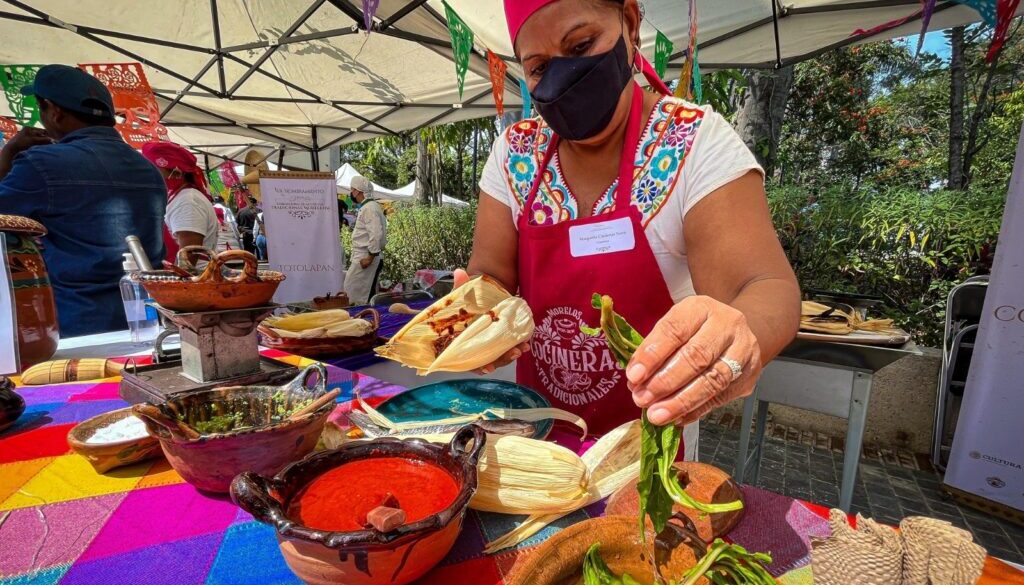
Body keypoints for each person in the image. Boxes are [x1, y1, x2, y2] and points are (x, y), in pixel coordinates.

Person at [462, 0, 800, 456]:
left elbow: (765, 285)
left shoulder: (695, 141)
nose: (562, 79)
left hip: (649, 453)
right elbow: (492, 275)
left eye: (581, 45)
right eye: (540, 67)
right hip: (537, 444)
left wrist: (743, 332)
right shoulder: (515, 153)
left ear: (630, 23)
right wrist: (477, 311)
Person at [0, 65, 165, 337]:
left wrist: (8, 153)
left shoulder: (40, 164)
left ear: (54, 111)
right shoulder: (148, 169)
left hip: (77, 323)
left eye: (41, 109)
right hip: (148, 320)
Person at [141, 141, 219, 260]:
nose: (146, 175)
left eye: (152, 170)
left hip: (193, 276)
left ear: (176, 173)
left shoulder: (188, 202)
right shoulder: (177, 197)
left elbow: (188, 260)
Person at [343, 176, 387, 304]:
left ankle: (361, 320)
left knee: (353, 295)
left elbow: (376, 234)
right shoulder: (371, 206)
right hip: (365, 255)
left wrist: (370, 257)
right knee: (360, 293)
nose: (351, 193)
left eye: (352, 190)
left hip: (366, 256)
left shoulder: (370, 208)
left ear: (357, 191)